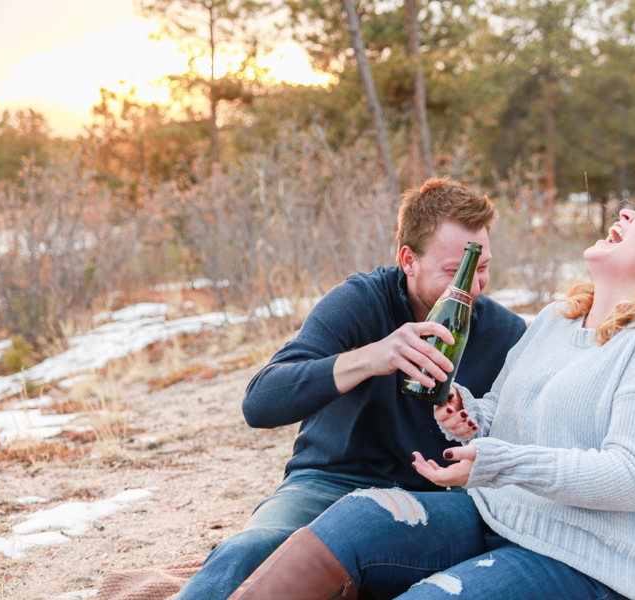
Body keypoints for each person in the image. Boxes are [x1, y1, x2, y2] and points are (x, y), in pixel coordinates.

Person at [224, 196, 635, 600]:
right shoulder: (557, 319)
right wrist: (465, 415)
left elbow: (632, 479)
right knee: (356, 516)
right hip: (495, 516)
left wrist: (495, 460)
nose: (627, 213)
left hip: (582, 557)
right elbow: (499, 419)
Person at [172, 178, 529, 600]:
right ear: (408, 260)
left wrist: (471, 428)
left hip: (432, 500)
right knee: (254, 549)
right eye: (454, 272)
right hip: (328, 483)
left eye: (482, 267)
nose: (471, 287)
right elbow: (260, 402)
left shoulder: (506, 332)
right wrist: (370, 358)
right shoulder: (360, 301)